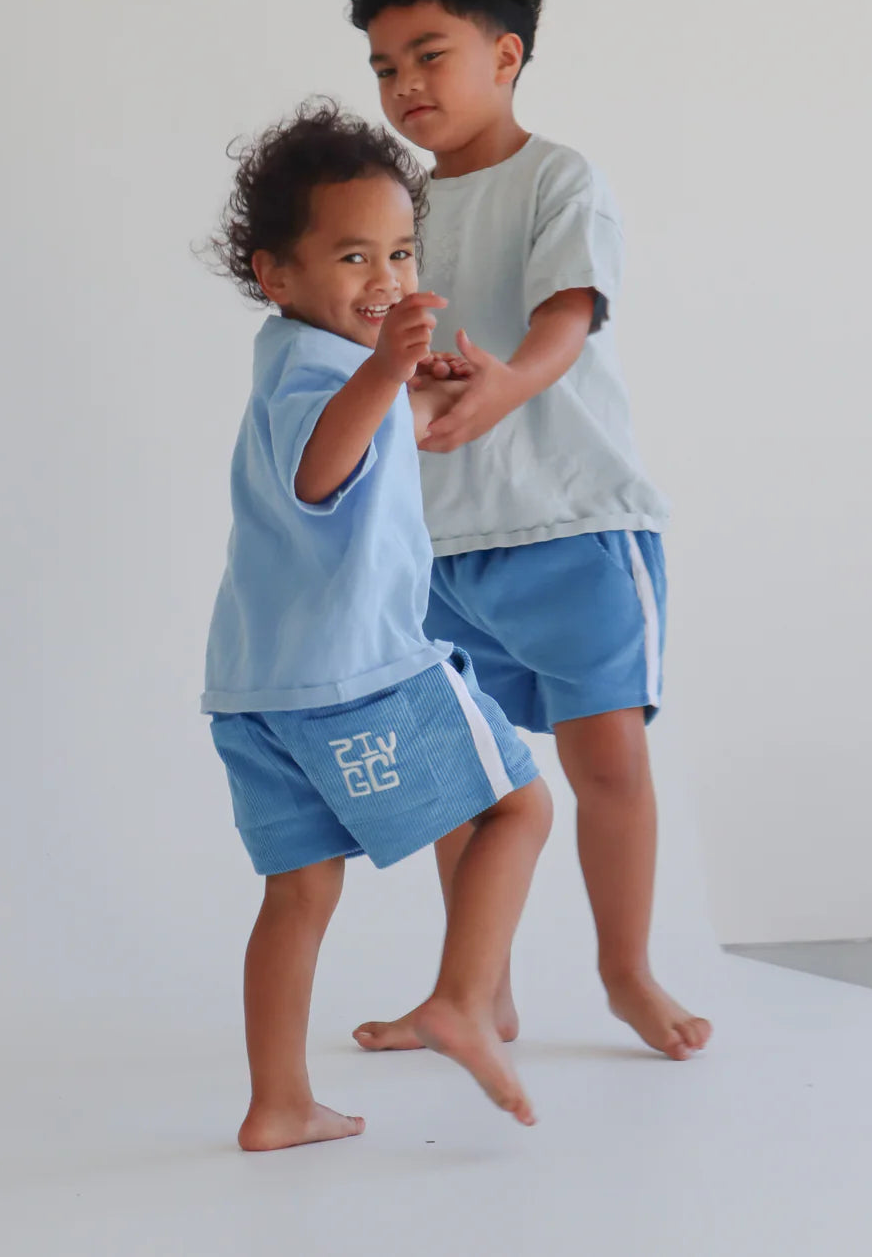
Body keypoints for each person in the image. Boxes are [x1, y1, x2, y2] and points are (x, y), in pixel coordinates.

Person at [340, 0, 711, 1061]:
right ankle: (476, 993)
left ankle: (625, 973)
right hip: (440, 543)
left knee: (607, 763)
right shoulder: (397, 211)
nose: (406, 87)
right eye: (385, 68)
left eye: (429, 55)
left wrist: (502, 389)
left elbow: (567, 316)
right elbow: (380, 332)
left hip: (575, 522)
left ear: (505, 56)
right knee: (468, 785)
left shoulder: (561, 178)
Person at [201, 101, 552, 1150]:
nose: (387, 279)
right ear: (277, 275)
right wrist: (388, 372)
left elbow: (344, 446)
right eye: (353, 256)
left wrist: (404, 388)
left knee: (299, 893)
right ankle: (462, 996)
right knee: (516, 813)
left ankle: (277, 1103)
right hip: (357, 674)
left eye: (401, 252)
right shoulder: (331, 371)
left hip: (258, 689)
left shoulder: (291, 358)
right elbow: (320, 472)